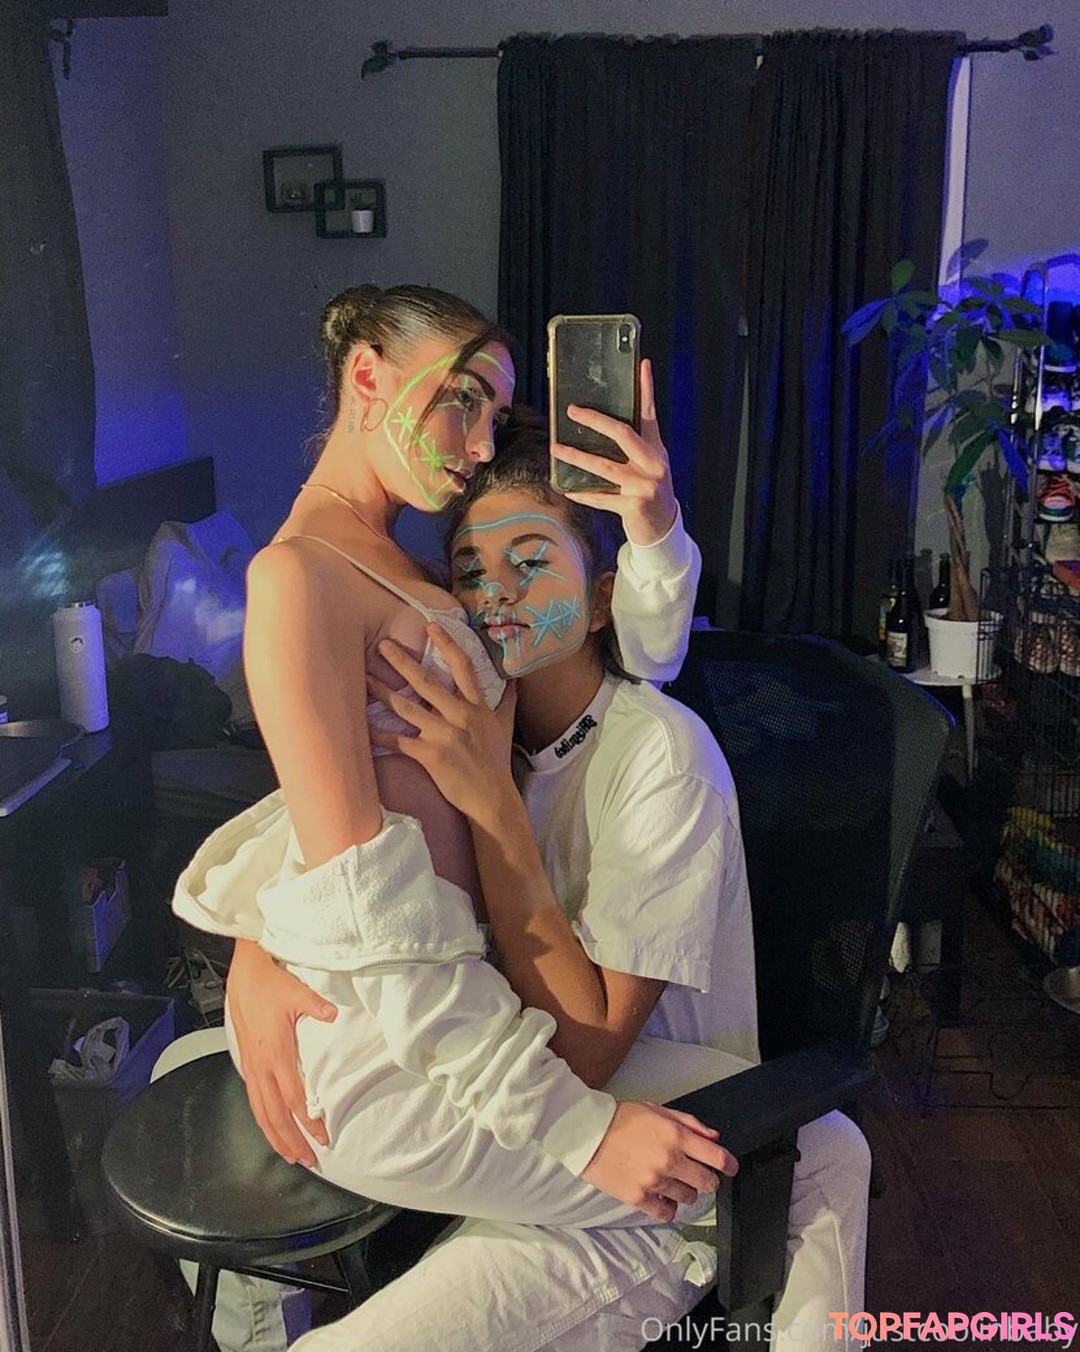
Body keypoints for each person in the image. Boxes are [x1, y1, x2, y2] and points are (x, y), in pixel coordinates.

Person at [177, 424, 871, 1346]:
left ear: (600, 602)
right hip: (519, 1113)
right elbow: (325, 845)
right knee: (187, 1068)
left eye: (531, 563)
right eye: (470, 571)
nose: (495, 593)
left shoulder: (659, 760)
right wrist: (256, 952)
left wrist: (493, 807)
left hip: (641, 1153)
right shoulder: (472, 729)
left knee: (826, 1150)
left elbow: (587, 1052)